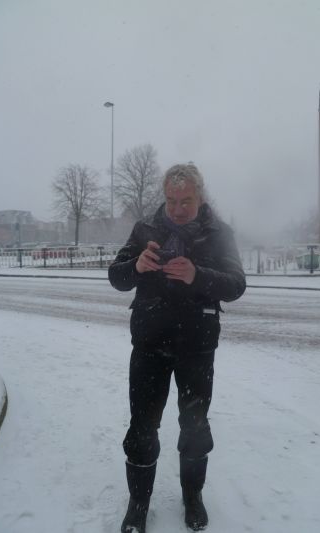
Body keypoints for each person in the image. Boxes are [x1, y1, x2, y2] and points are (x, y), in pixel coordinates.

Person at [108, 163, 246, 532]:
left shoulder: (219, 234)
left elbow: (236, 284)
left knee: (195, 426)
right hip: (149, 345)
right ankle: (138, 503)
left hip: (196, 347)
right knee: (142, 427)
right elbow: (116, 277)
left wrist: (197, 275)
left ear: (200, 196)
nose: (177, 209)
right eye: (171, 200)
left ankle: (193, 496)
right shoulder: (145, 230)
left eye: (185, 201)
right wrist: (136, 265)